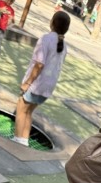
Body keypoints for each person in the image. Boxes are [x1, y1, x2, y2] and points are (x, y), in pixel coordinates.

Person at [11, 11, 71, 146]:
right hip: (48, 87)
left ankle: (17, 141)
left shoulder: (45, 39)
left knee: (21, 108)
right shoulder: (64, 46)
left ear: (52, 23)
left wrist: (27, 83)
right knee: (28, 112)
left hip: (36, 84)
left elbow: (39, 64)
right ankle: (24, 140)